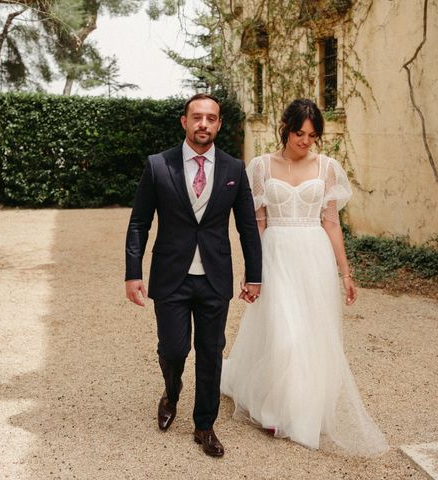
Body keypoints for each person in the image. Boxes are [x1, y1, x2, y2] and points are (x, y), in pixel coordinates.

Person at [221, 98, 389, 456]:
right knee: (284, 333)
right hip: (277, 254)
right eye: (300, 133)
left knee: (311, 334)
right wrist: (253, 271)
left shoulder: (327, 168)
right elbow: (258, 223)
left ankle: (302, 410)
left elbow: (331, 222)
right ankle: (274, 410)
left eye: (312, 136)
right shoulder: (262, 166)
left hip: (314, 256)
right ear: (286, 129)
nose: (305, 141)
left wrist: (345, 272)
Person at [125, 93, 262, 458]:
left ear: (219, 124)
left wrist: (255, 274)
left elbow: (248, 226)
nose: (204, 123)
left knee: (211, 350)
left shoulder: (234, 169)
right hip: (171, 274)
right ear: (184, 122)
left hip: (214, 275)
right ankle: (171, 391)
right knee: (174, 348)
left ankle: (205, 426)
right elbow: (139, 223)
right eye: (197, 117)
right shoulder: (159, 165)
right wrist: (132, 273)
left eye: (211, 118)